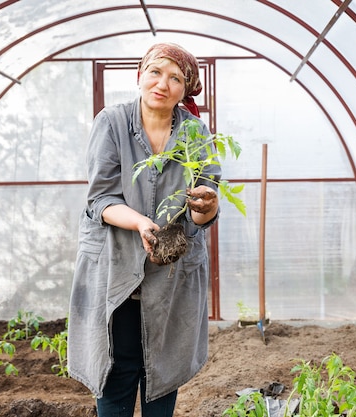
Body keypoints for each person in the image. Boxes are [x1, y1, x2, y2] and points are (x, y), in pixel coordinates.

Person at [67, 42, 220, 417]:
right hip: (116, 265)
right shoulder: (112, 122)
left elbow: (204, 206)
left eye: (175, 78)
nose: (162, 84)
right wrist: (139, 222)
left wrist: (205, 208)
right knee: (116, 367)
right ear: (140, 75)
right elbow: (100, 198)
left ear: (186, 90)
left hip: (171, 271)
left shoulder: (196, 133)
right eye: (155, 72)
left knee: (161, 372)